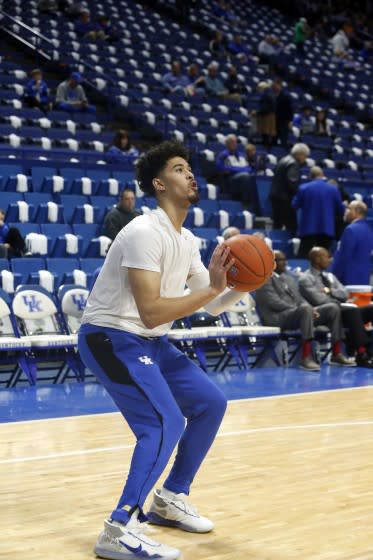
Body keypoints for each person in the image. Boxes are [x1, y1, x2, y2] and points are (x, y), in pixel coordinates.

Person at [77, 140, 243, 560]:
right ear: (159, 184)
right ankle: (119, 528)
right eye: (179, 168)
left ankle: (170, 498)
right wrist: (211, 289)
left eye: (190, 168)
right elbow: (152, 311)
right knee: (162, 422)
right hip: (111, 336)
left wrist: (240, 287)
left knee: (210, 403)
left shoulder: (185, 239)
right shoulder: (142, 231)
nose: (190, 175)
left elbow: (209, 302)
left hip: (151, 341)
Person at [255, 250, 352, 370]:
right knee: (305, 309)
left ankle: (337, 353)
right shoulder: (263, 280)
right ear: (270, 263)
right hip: (277, 317)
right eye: (280, 260)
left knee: (332, 308)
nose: (285, 263)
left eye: (285, 260)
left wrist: (310, 309)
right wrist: (303, 309)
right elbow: (274, 303)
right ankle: (306, 357)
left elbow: (300, 299)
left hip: (297, 314)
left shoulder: (288, 278)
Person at [299, 246, 373, 367]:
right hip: (323, 314)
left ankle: (370, 352)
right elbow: (319, 300)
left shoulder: (330, 277)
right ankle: (362, 354)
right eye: (327, 257)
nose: (330, 260)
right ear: (317, 259)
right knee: (351, 310)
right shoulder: (305, 279)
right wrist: (337, 299)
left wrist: (329, 290)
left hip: (342, 311)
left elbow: (344, 293)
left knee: (370, 310)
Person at [292, 166, 345, 258]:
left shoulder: (303, 188)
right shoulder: (333, 189)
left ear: (310, 176)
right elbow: (340, 209)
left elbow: (294, 205)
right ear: (323, 175)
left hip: (308, 228)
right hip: (326, 228)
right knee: (323, 258)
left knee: (303, 256)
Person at [269, 143, 310, 235]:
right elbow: (292, 182)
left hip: (276, 196)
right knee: (292, 227)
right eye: (305, 156)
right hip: (285, 199)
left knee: (277, 225)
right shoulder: (293, 164)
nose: (305, 159)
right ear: (300, 154)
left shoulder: (284, 159)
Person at [216, 134, 260, 213]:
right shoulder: (223, 155)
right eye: (232, 142)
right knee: (246, 176)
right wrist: (240, 170)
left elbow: (249, 168)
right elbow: (221, 168)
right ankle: (245, 204)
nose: (234, 144)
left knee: (252, 177)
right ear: (227, 144)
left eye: (235, 142)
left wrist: (236, 169)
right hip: (231, 181)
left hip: (243, 178)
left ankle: (256, 208)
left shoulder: (241, 155)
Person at [332, 200, 373, 285]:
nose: (345, 211)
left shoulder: (350, 230)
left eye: (348, 208)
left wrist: (334, 279)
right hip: (364, 280)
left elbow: (343, 258)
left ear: (356, 212)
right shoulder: (368, 230)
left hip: (347, 280)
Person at [272, 78, 294, 148]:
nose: (274, 86)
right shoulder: (272, 95)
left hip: (283, 122)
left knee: (283, 140)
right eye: (273, 85)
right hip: (274, 121)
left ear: (280, 85)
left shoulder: (286, 96)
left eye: (275, 85)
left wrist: (290, 121)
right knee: (273, 140)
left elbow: (290, 109)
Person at [256, 81, 276, 149]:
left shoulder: (264, 95)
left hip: (266, 117)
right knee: (269, 134)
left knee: (265, 133)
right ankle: (269, 148)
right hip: (271, 116)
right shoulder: (271, 94)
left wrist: (257, 113)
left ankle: (265, 148)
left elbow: (265, 108)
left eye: (259, 88)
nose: (258, 90)